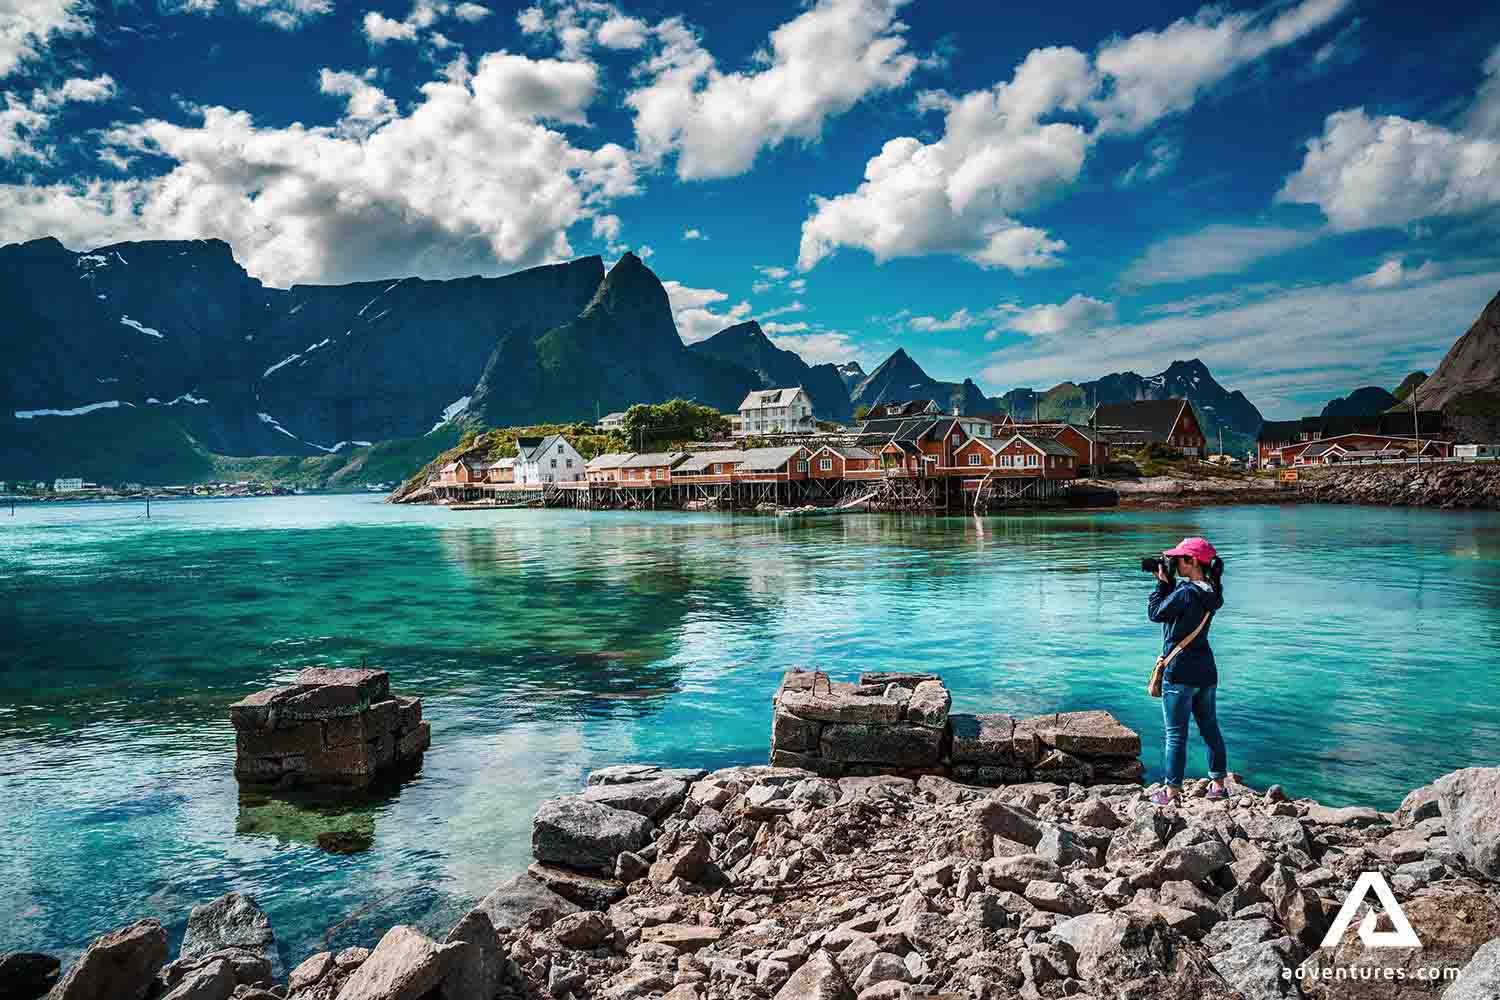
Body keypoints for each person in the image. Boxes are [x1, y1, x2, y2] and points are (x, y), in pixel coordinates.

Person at [1146, 536, 1227, 805]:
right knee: (1210, 728)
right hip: (1206, 671)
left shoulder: (1185, 592)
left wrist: (1161, 584)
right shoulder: (1211, 592)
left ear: (1192, 561)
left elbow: (1156, 613)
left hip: (1179, 672)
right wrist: (1170, 584)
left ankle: (1171, 793)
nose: (1175, 564)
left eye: (1179, 559)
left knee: (1176, 734)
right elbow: (1181, 613)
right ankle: (1217, 785)